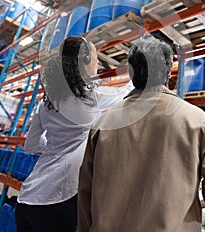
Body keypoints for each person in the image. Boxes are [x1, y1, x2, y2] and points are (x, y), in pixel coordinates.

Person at [78, 36, 205, 232]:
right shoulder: (197, 120)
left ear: (132, 74)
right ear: (168, 73)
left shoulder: (102, 124)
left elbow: (85, 191)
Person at [15, 36, 133, 232]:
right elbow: (126, 92)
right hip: (57, 199)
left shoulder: (46, 104)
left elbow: (31, 145)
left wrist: (54, 144)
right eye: (95, 57)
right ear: (86, 61)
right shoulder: (91, 97)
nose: (97, 62)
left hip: (27, 198)